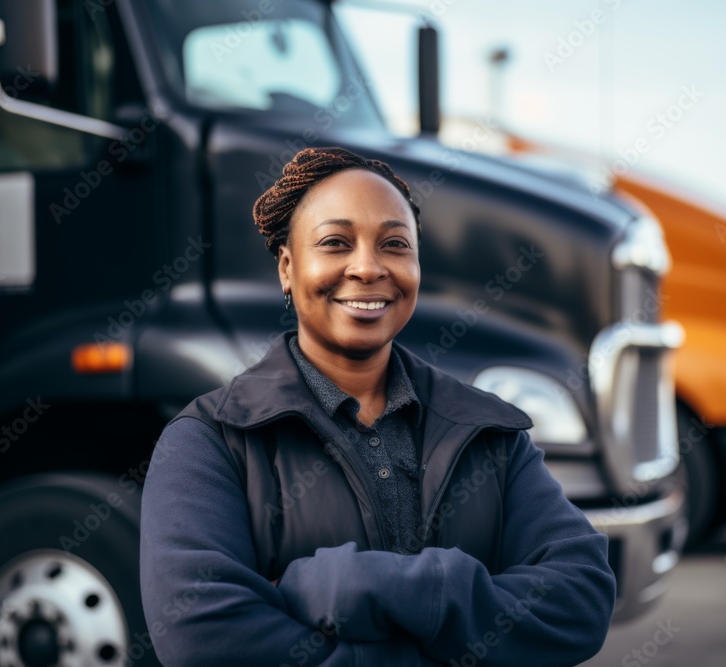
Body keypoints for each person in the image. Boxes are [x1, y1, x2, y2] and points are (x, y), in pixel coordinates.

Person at [139, 147, 616, 666]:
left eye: (394, 244)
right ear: (287, 267)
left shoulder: (490, 433)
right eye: (335, 243)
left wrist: (343, 585)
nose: (367, 268)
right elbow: (199, 633)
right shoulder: (211, 440)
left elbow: (581, 597)